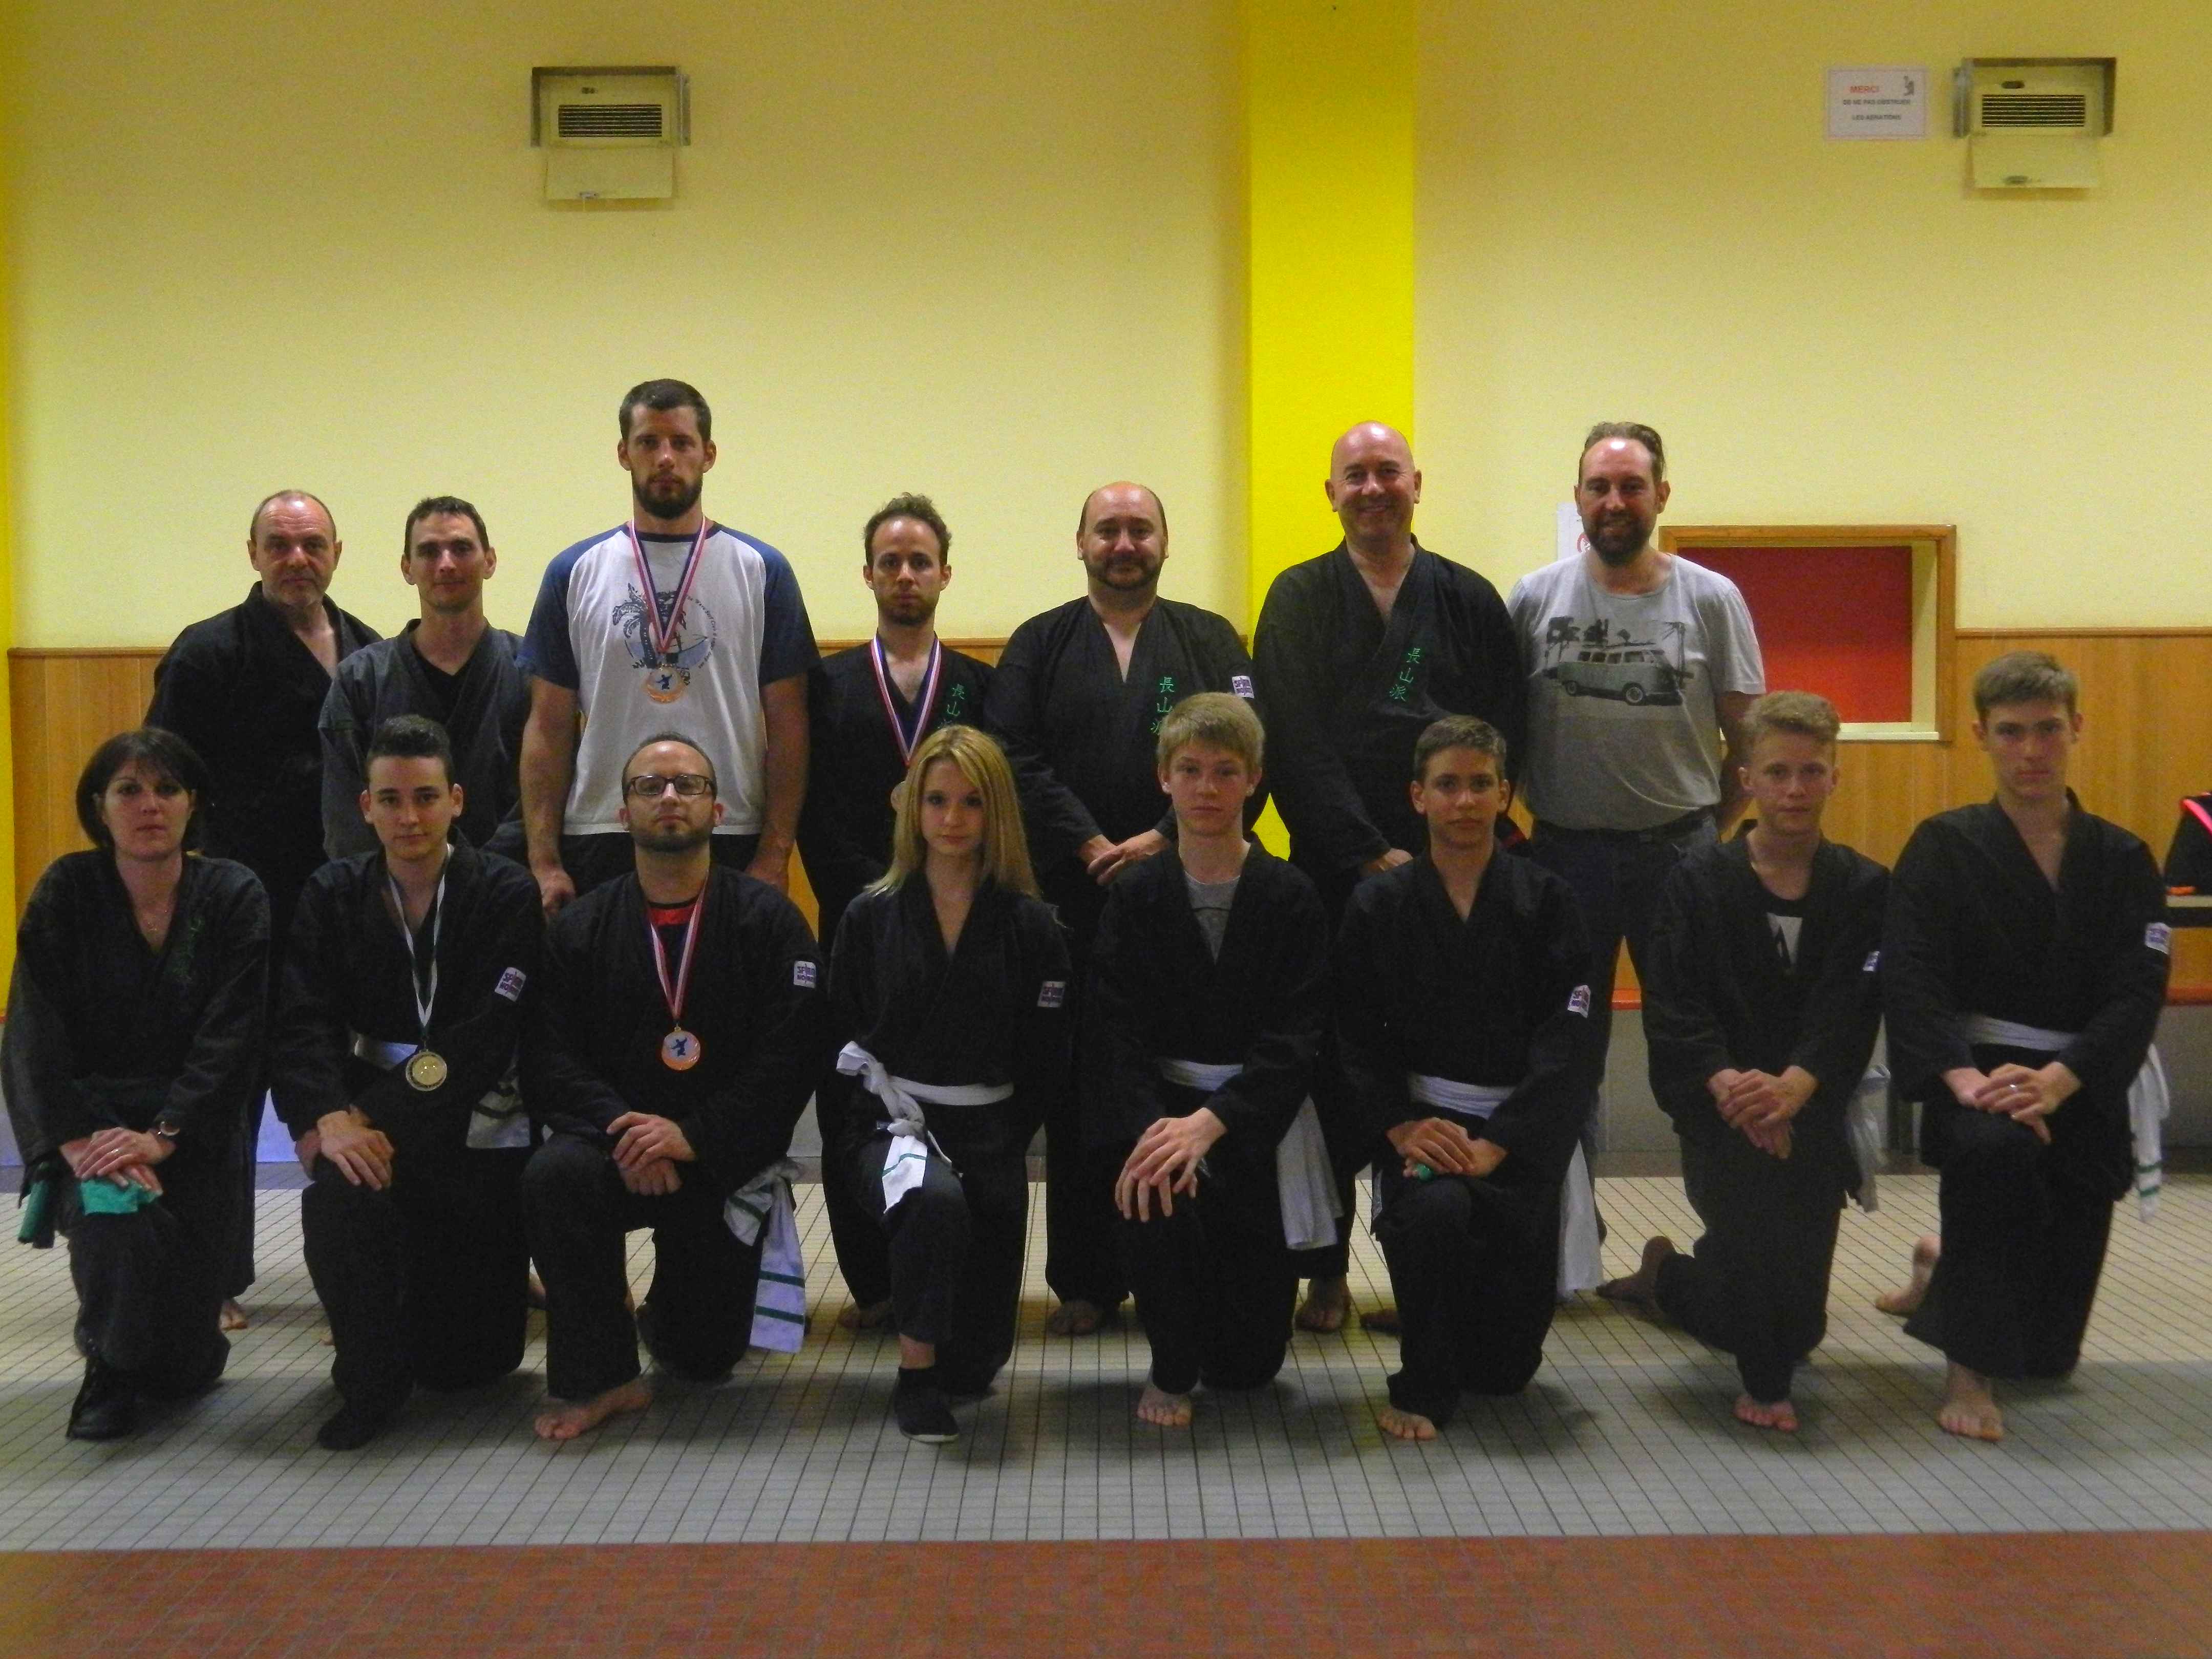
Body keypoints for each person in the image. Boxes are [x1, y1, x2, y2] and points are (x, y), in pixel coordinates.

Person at [1252, 419, 1526, 1332]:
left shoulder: (1468, 599)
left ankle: (1437, 1261)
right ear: (1331, 493)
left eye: (1388, 472)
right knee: (1336, 1063)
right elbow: (1292, 738)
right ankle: (1326, 1269)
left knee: (1439, 1062)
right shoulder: (1299, 596)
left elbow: (1502, 732)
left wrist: (1452, 845)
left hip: (1454, 870)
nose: (1373, 488)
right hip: (1336, 870)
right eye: (1355, 475)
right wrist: (1369, 853)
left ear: (1417, 483)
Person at [984, 481, 1260, 1336]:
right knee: (1082, 1090)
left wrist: (1163, 836)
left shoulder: (1211, 638)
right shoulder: (1039, 643)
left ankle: (1203, 1262)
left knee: (1182, 1071)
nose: (1125, 543)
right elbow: (1012, 757)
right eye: (1108, 530)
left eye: (1141, 529)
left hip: (1188, 890)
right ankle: (1086, 1278)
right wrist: (1089, 843)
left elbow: (1248, 750)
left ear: (1165, 543)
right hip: (1072, 898)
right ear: (1081, 544)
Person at [1882, 651, 2167, 1442]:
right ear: (1981, 736)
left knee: (2045, 1359)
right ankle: (1967, 1369)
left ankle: (1941, 1264)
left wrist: (2060, 1082)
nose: (2032, 750)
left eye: (2048, 729)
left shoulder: (2122, 858)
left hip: (2081, 1079)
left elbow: (2137, 992)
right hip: (1974, 1076)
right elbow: (1912, 977)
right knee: (1994, 1155)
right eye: (2011, 732)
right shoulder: (1943, 846)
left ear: (2076, 729)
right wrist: (1965, 1081)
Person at [521, 733, 827, 1441]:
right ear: (622, 811)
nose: (668, 798)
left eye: (687, 785)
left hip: (718, 1157)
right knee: (554, 1176)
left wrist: (692, 1136)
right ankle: (602, 1375)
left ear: (717, 810)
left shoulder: (768, 921)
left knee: (701, 1359)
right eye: (649, 786)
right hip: (615, 1148)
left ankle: (665, 1314)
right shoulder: (582, 928)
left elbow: (791, 1056)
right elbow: (549, 1056)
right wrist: (627, 1132)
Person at [1597, 691, 1886, 1431]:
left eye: (1812, 772)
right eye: (1778, 772)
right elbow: (1676, 1004)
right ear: (1747, 778)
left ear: (1835, 778)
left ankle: (1669, 1277)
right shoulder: (1697, 881)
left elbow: (1850, 1008)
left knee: (1802, 1327)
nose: (1795, 790)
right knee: (1768, 1317)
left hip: (1809, 1110)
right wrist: (1732, 1088)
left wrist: (1795, 1089)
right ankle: (1764, 1384)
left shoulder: (1863, 888)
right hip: (1721, 1111)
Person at [1505, 423, 1763, 1240]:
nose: (1614, 502)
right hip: (1562, 858)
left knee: (1696, 1051)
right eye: (1599, 487)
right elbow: (1502, 733)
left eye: (1631, 486)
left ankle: (1723, 1250)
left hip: (1679, 857)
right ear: (1578, 498)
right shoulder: (1533, 598)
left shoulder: (1711, 599)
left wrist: (1707, 833)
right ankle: (1569, 1248)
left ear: (1662, 496)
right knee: (1562, 1058)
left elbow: (1750, 743)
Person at [272, 716, 542, 1450]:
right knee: (341, 1190)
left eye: (426, 797)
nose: (409, 817)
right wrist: (323, 1116)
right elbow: (301, 1020)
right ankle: (367, 1383)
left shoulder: (505, 892)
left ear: (456, 800)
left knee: (471, 1368)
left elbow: (487, 1034)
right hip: (365, 1117)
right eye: (390, 800)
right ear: (366, 807)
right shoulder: (332, 891)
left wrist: (367, 1114)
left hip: (475, 1123)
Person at [147, 488, 378, 1322]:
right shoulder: (207, 653)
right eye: (279, 544)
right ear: (252, 555)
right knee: (225, 1096)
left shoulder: (370, 651)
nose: (296, 559)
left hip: (342, 910)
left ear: (337, 553)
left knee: (350, 1087)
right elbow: (162, 778)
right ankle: (203, 1277)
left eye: (312, 544)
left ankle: (367, 1268)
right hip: (236, 910)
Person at [3, 730, 268, 1439]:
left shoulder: (234, 894)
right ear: (99, 806)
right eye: (128, 790)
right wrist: (79, 1141)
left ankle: (157, 1344)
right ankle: (108, 1369)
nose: (149, 805)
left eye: (167, 789)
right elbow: (34, 1032)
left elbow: (234, 1036)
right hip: (92, 1130)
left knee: (182, 1370)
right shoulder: (66, 891)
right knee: (114, 1217)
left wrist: (164, 1136)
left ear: (193, 804)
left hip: (193, 1134)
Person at [1335, 717, 1594, 1440]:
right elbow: (1353, 1034)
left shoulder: (1547, 901)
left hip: (1520, 1129)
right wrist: (1401, 1126)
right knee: (1435, 1214)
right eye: (1447, 785)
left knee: (1504, 1373)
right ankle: (1422, 1382)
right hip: (1426, 1122)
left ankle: (1471, 1339)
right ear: (1418, 796)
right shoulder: (1380, 904)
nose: (1465, 801)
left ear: (1505, 793)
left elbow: (1570, 1038)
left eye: (1481, 784)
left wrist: (1502, 1142)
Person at [1088, 694, 1332, 1427]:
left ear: (1254, 779)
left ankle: (1228, 1328)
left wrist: (1216, 1122)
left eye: (1226, 772)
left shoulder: (1290, 895)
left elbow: (1296, 1038)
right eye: (1190, 770)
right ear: (1163, 778)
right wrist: (1155, 1131)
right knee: (1154, 1185)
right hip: (1160, 1112)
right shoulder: (1136, 894)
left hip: (1256, 1124)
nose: (1207, 789)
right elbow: (1114, 1031)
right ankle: (1169, 1362)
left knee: (1247, 1368)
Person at [825, 725, 1068, 1441]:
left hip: (990, 1131)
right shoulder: (870, 916)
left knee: (977, 1365)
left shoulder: (1032, 926)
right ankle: (915, 1375)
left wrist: (1005, 1140)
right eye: (936, 800)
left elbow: (1046, 1055)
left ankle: (946, 1363)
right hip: (891, 1123)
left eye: (971, 802)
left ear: (997, 812)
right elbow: (842, 1029)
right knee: (930, 1200)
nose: (952, 819)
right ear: (913, 809)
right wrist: (862, 1130)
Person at [799, 494, 993, 1330]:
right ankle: (874, 1285)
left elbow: (996, 809)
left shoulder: (981, 687)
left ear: (945, 574)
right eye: (891, 562)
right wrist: (877, 903)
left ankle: (959, 1269)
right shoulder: (827, 685)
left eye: (920, 561)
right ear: (868, 575)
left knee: (954, 1093)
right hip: (858, 924)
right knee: (852, 1097)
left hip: (959, 924)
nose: (906, 575)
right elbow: (811, 809)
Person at [519, 379, 818, 914]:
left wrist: (775, 854)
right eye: (648, 442)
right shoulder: (573, 572)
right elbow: (548, 727)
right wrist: (544, 860)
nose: (664, 458)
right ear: (623, 453)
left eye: (681, 443)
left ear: (709, 454)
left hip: (730, 826)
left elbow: (789, 723)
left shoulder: (762, 571)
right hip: (603, 826)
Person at [321, 497, 530, 860]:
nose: (446, 564)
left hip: (510, 882)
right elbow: (347, 816)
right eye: (429, 552)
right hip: (389, 887)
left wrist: (482, 877)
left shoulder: (531, 671)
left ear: (490, 561)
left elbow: (547, 794)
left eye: (461, 549)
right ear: (407, 568)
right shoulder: (360, 679)